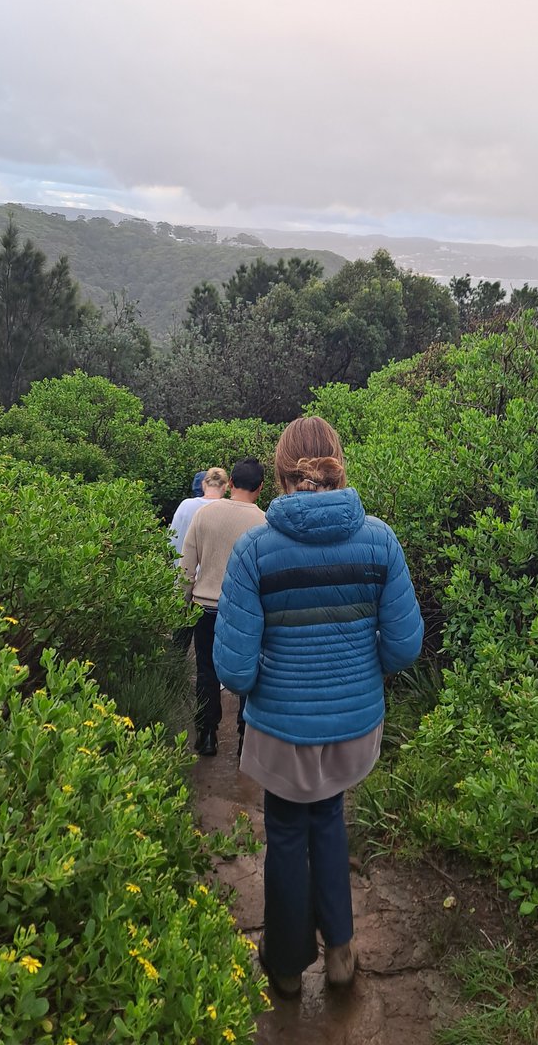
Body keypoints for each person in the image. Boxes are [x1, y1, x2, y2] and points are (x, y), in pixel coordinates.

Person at [213, 416, 423, 998]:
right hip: (353, 725)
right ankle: (341, 952)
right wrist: (358, 670)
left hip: (281, 730)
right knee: (329, 817)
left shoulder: (256, 548)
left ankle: (283, 965)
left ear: (281, 472)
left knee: (284, 830)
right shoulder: (379, 539)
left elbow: (233, 668)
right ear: (338, 463)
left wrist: (273, 679)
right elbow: (404, 646)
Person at [181, 458, 266, 757]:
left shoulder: (205, 515)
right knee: (248, 671)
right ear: (260, 488)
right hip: (245, 612)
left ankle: (206, 735)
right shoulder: (264, 523)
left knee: (207, 671)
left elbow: (187, 567)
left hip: (205, 607)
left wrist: (183, 602)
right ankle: (245, 739)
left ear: (230, 484)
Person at [169, 468, 226, 557]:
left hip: (182, 568)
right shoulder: (228, 509)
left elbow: (171, 541)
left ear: (204, 484)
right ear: (224, 487)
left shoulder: (185, 505)